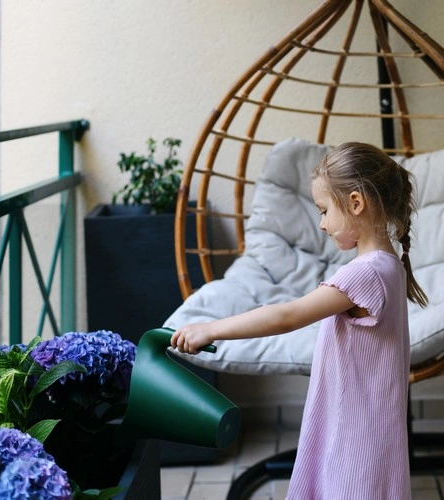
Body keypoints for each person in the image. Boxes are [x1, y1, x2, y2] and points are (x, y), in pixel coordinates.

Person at [171, 142, 428, 499]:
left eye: (324, 211)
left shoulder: (366, 273)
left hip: (355, 435)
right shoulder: (388, 265)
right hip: (367, 428)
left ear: (356, 203)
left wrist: (211, 328)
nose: (321, 224)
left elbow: (286, 315)